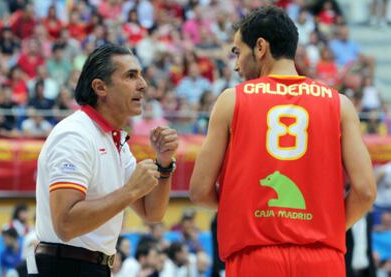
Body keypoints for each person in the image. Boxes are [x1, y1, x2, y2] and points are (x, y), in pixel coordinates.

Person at [189, 6, 376, 277]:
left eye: (238, 52)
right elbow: (366, 191)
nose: (237, 64)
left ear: (261, 47)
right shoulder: (340, 104)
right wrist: (328, 227)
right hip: (323, 257)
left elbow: (198, 191)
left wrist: (247, 208)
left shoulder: (231, 101)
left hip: (255, 255)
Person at [33, 43, 179, 277]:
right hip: (64, 266)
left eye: (140, 75)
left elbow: (153, 213)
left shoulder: (115, 140)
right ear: (100, 87)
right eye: (131, 76)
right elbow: (66, 224)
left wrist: (164, 163)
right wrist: (129, 191)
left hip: (94, 266)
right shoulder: (75, 135)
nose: (143, 85)